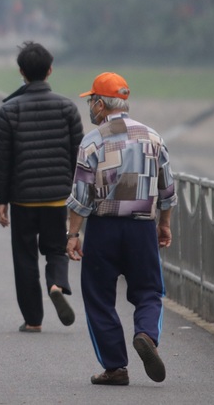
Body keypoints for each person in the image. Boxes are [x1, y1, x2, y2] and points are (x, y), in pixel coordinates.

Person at [65, 71, 177, 387]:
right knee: (150, 291)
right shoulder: (153, 137)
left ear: (100, 104)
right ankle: (146, 335)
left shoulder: (93, 141)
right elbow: (167, 189)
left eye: (91, 101)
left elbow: (81, 196)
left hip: (103, 230)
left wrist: (73, 234)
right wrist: (164, 225)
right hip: (141, 228)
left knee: (99, 297)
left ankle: (115, 368)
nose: (90, 107)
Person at [0, 41, 85, 333]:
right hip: (57, 198)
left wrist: (1, 200)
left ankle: (33, 320)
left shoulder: (9, 111)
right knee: (56, 249)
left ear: (21, 72)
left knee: (25, 257)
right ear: (50, 70)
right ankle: (56, 284)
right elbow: (78, 155)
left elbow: (2, 160)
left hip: (23, 199)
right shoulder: (67, 108)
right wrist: (76, 196)